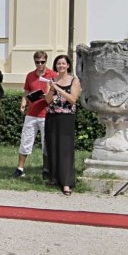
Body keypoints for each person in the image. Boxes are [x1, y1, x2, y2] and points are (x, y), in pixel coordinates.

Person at [13, 50, 56, 179]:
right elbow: (26, 91)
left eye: (42, 62)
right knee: (25, 140)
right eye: (37, 62)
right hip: (31, 113)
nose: (40, 65)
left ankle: (47, 169)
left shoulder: (52, 75)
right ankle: (20, 169)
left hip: (46, 113)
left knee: (46, 142)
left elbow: (56, 94)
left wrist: (46, 95)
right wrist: (23, 102)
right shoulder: (30, 75)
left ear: (46, 61)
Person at [44, 53, 81, 195]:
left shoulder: (74, 81)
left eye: (63, 64)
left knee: (65, 150)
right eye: (58, 64)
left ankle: (66, 183)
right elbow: (47, 100)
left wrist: (58, 89)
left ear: (68, 65)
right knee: (53, 147)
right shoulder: (52, 80)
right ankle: (54, 178)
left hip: (66, 118)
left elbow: (72, 99)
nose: (61, 66)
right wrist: (52, 89)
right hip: (52, 116)